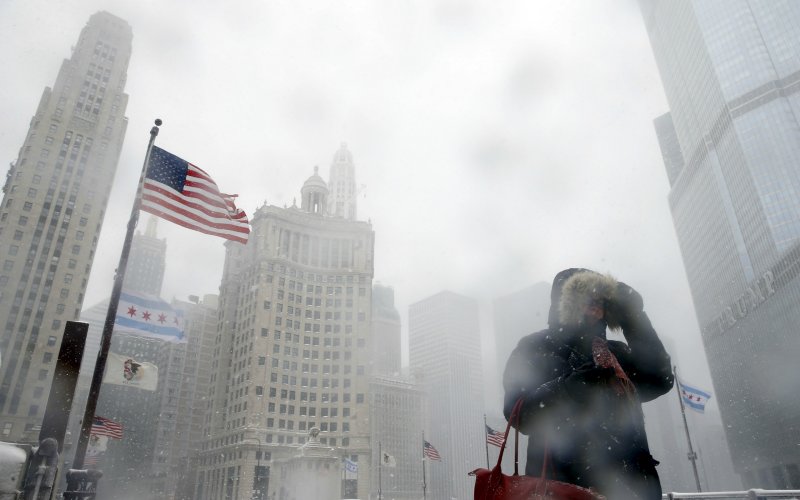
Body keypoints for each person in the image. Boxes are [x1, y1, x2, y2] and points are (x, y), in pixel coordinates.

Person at [503, 268, 674, 499]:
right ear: (565, 303)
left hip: (630, 486)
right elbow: (517, 414)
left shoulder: (617, 353)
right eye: (585, 299)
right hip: (563, 485)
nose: (595, 308)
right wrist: (568, 389)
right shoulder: (535, 348)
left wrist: (634, 317)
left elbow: (659, 378)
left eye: (602, 301)